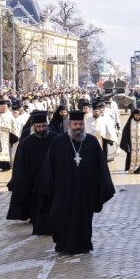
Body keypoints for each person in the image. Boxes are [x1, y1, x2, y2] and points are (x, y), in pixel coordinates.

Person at [36, 108, 116, 256]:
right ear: (69, 125)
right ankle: (63, 245)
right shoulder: (58, 142)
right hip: (63, 192)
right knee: (60, 218)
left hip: (86, 192)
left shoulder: (91, 142)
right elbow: (49, 166)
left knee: (83, 220)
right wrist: (48, 188)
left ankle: (84, 245)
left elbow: (101, 167)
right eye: (75, 124)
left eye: (80, 124)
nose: (78, 127)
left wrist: (103, 187)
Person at [6, 111, 52, 228]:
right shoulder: (26, 142)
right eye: (38, 127)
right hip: (32, 177)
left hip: (50, 177)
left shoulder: (55, 138)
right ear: (33, 127)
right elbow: (20, 163)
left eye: (43, 126)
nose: (41, 129)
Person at [120, 106, 140, 174]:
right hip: (132, 146)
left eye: (139, 115)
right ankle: (132, 168)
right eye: (136, 115)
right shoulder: (129, 123)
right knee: (131, 156)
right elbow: (124, 133)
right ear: (133, 115)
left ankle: (139, 168)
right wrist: (126, 145)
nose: (137, 116)